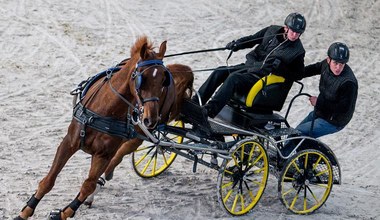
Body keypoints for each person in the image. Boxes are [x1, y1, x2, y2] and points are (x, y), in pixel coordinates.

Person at [192, 12, 306, 118]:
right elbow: (252, 39)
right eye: (292, 31)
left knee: (234, 79)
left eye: (298, 33)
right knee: (220, 71)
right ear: (286, 27)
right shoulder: (271, 30)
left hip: (261, 77)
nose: (295, 35)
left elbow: (298, 74)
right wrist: (237, 44)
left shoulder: (298, 51)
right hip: (249, 66)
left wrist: (282, 68)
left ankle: (209, 111)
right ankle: (195, 103)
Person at [295, 42, 358, 138]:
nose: (338, 68)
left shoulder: (348, 83)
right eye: (335, 63)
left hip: (334, 120)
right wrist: (295, 75)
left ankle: (289, 152)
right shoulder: (325, 64)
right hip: (321, 111)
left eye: (342, 64)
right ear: (328, 60)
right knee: (295, 131)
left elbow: (343, 108)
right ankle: (287, 152)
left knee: (300, 132)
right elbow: (314, 68)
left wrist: (319, 103)